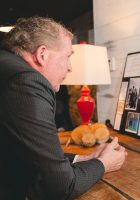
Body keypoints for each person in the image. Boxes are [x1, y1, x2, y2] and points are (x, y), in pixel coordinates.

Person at [0, 17, 127, 200]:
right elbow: (62, 186)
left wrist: (81, 158)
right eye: (67, 56)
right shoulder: (25, 81)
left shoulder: (8, 67)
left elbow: (21, 151)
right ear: (42, 54)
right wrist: (104, 163)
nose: (69, 67)